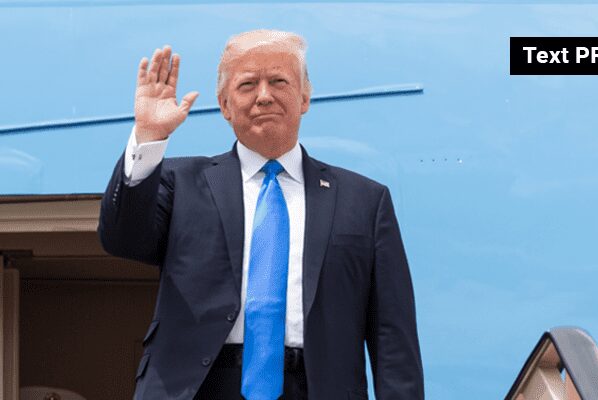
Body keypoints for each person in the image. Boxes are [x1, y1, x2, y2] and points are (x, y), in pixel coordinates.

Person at [98, 29, 424, 400]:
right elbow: (121, 238)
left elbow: (392, 335)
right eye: (248, 84)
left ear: (304, 97)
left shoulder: (365, 201)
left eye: (279, 81)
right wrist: (149, 136)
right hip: (199, 388)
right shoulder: (180, 182)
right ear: (224, 105)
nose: (264, 95)